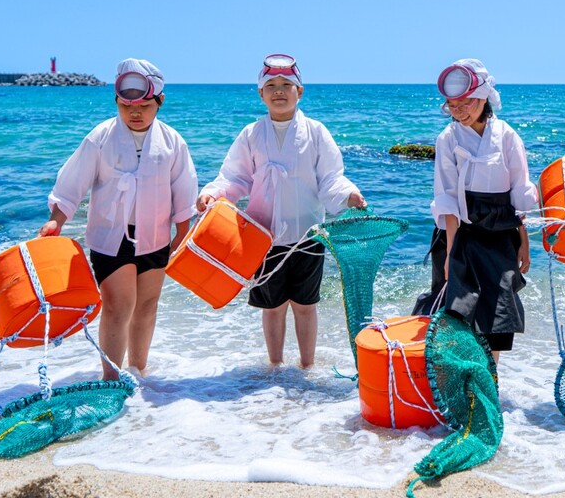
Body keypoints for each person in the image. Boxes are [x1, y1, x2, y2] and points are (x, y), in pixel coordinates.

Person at [196, 54, 365, 368]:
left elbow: (331, 177)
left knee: (305, 305)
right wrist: (212, 193)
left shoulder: (316, 132)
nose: (279, 91)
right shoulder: (251, 134)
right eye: (271, 85)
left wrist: (347, 194)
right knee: (272, 307)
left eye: (287, 85)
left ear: (299, 92)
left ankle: (307, 366)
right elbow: (235, 177)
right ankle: (275, 366)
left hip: (309, 235)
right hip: (263, 237)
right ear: (260, 94)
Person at [39, 58, 198, 380]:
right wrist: (57, 220)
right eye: (126, 106)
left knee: (147, 304)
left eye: (144, 105)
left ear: (160, 102)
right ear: (116, 103)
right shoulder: (101, 137)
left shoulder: (172, 142)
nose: (135, 113)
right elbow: (73, 183)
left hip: (156, 236)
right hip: (112, 236)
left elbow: (184, 192)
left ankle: (138, 369)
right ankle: (110, 377)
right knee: (118, 305)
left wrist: (183, 234)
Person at [412, 59, 537, 364]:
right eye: (452, 103)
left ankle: (490, 379)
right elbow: (447, 199)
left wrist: (525, 241)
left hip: (500, 233)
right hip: (459, 232)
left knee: (496, 312)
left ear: (484, 98)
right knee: (456, 308)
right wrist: (452, 253)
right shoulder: (447, 139)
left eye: (466, 101)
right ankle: (455, 380)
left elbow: (519, 191)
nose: (459, 109)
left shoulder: (507, 136)